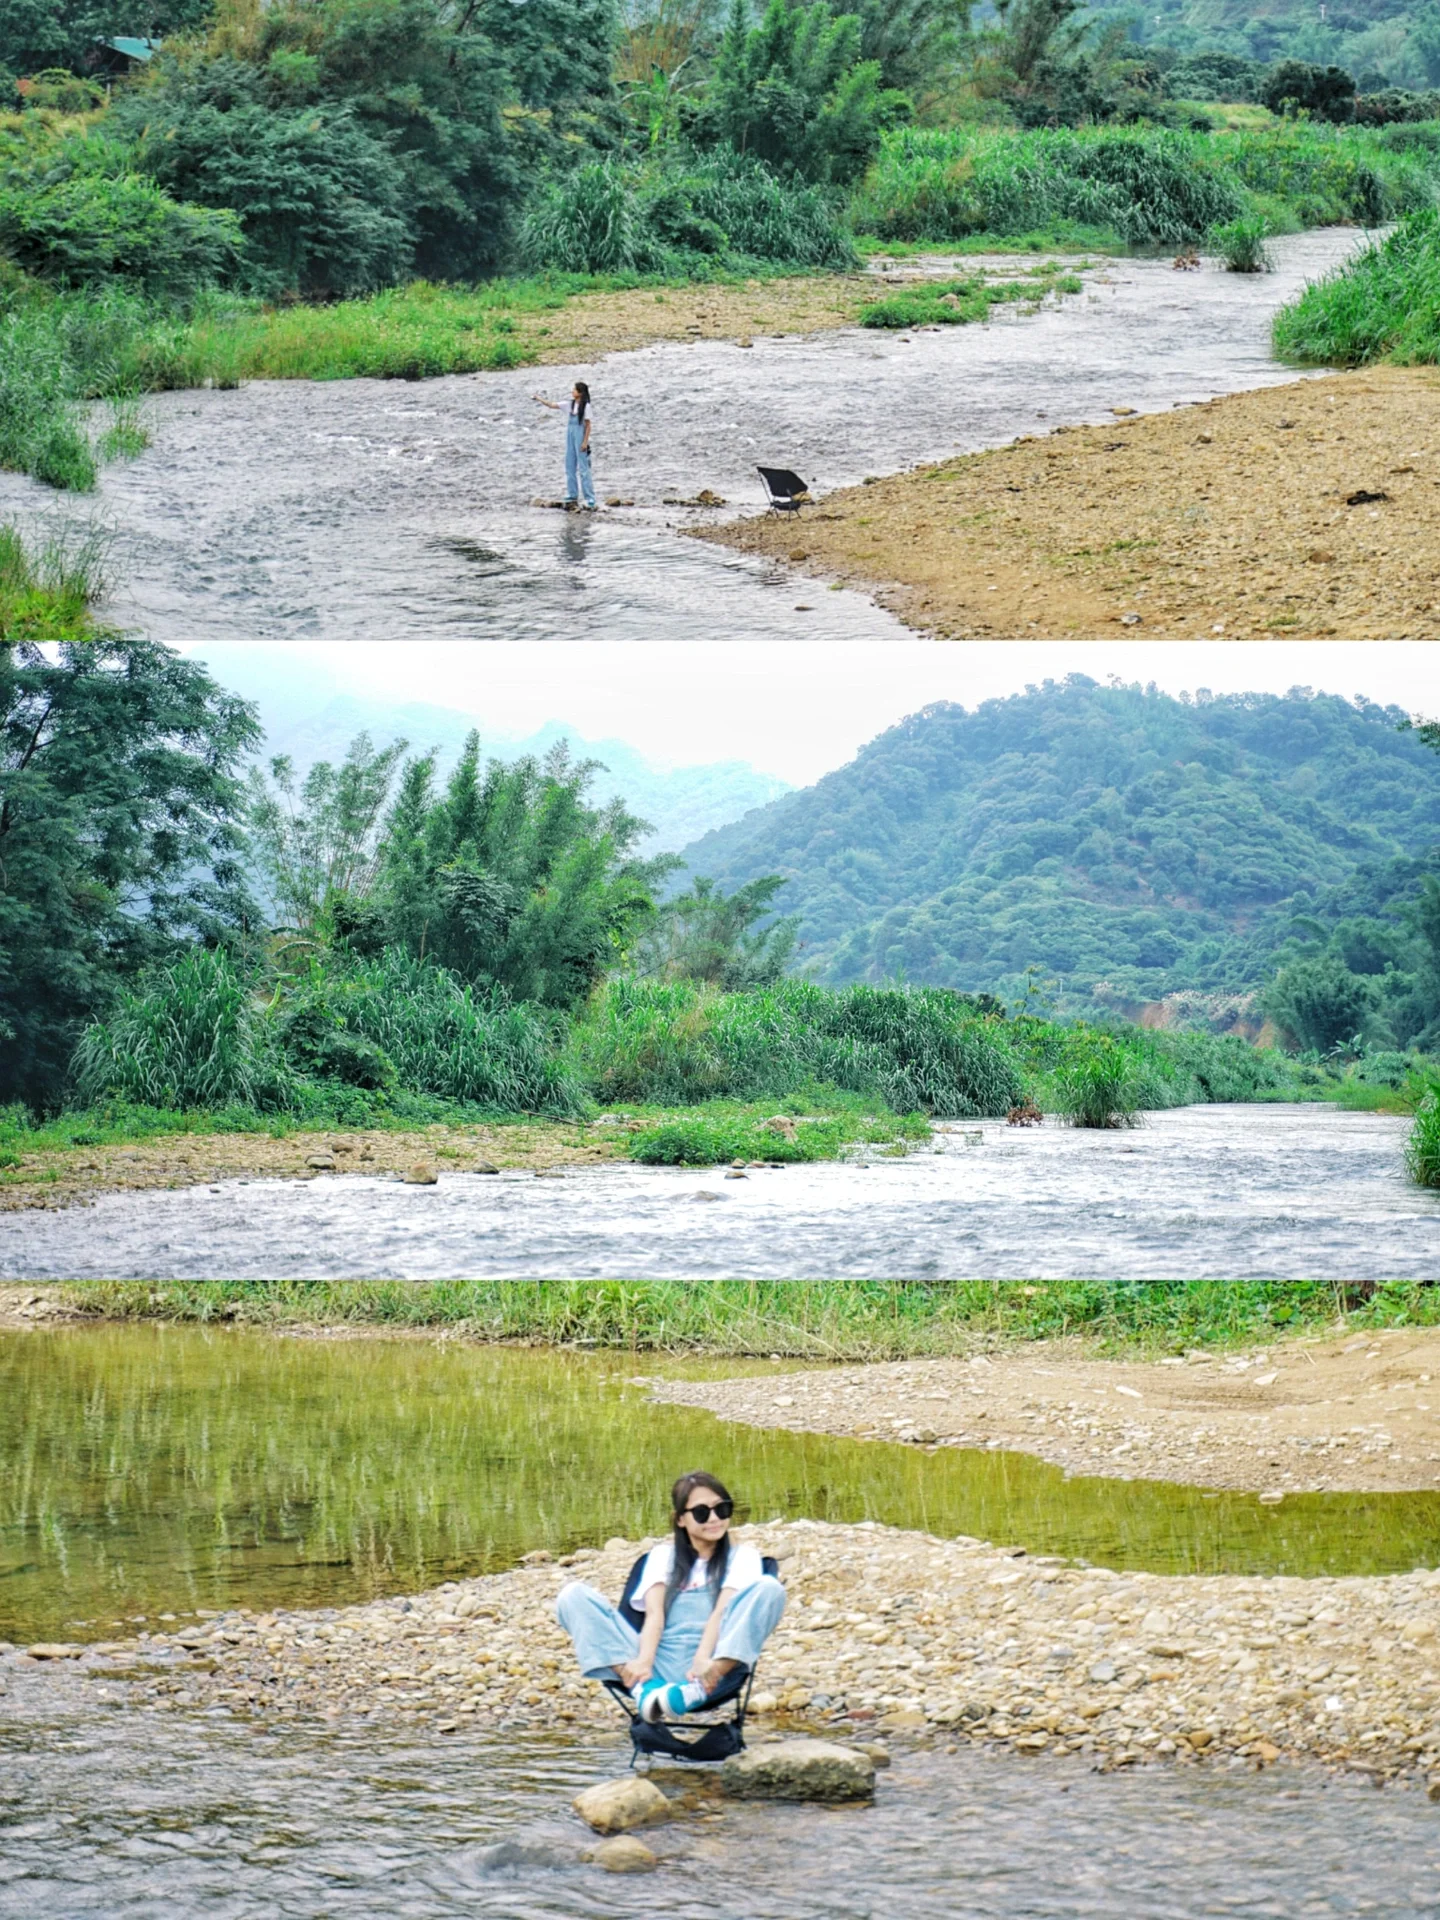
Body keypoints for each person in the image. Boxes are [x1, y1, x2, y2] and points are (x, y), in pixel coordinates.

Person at [555, 1470, 786, 1722]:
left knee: (769, 1588)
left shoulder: (743, 1556)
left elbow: (721, 1614)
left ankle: (697, 1688)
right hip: (657, 1660)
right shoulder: (662, 1556)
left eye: (722, 1509)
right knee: (572, 1595)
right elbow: (654, 1615)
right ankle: (639, 1684)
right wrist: (643, 1663)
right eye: (701, 1512)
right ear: (680, 1519)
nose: (714, 1519)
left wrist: (703, 1663)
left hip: (714, 1662)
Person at [532, 381, 596, 511]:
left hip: (580, 437)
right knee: (570, 465)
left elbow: (588, 426)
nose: (572, 391)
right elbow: (551, 405)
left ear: (580, 393)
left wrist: (585, 442)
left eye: (575, 389)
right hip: (570, 436)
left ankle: (589, 497)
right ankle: (572, 494)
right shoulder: (569, 405)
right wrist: (539, 398)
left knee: (584, 468)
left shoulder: (586, 406)